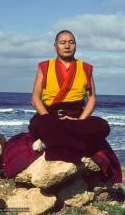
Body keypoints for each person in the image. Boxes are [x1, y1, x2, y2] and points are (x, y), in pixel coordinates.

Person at [28, 30, 122, 183]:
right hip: (51, 116)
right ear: (55, 46)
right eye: (62, 42)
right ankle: (69, 142)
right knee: (39, 123)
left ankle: (50, 141)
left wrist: (80, 121)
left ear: (75, 46)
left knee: (103, 126)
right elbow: (35, 98)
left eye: (71, 42)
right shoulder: (45, 67)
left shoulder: (85, 68)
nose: (67, 46)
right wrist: (46, 117)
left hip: (76, 117)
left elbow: (91, 99)